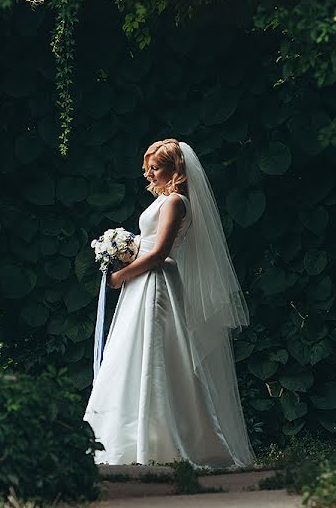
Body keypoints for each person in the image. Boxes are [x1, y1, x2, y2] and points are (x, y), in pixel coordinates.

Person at [82, 138, 256, 469]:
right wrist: (123, 250)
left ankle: (167, 439)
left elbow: (160, 252)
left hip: (157, 281)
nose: (149, 172)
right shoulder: (164, 201)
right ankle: (123, 438)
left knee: (157, 353)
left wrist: (122, 276)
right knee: (132, 353)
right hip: (145, 281)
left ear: (175, 169)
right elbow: (148, 246)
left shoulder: (175, 202)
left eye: (156, 166)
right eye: (148, 166)